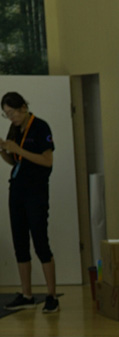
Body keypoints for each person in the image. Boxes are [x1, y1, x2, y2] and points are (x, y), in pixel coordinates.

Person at [1, 91, 59, 313]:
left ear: (23, 107)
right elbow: (14, 160)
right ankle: (27, 294)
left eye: (13, 112)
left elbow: (47, 160)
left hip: (36, 191)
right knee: (20, 242)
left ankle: (51, 295)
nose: (11, 117)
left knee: (40, 242)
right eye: (7, 114)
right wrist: (3, 150)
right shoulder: (14, 130)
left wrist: (19, 150)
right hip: (17, 190)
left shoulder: (40, 127)